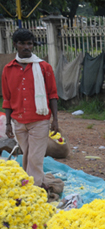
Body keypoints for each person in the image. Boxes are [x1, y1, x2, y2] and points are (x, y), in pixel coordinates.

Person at [2, 29, 59, 187]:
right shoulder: (8, 69)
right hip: (19, 122)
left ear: (33, 46)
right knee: (27, 155)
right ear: (15, 44)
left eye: (30, 44)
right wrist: (8, 124)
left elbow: (52, 94)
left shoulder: (44, 67)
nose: (26, 47)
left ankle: (33, 191)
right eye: (22, 43)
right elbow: (7, 99)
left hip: (40, 120)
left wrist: (55, 121)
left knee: (35, 158)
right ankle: (31, 184)